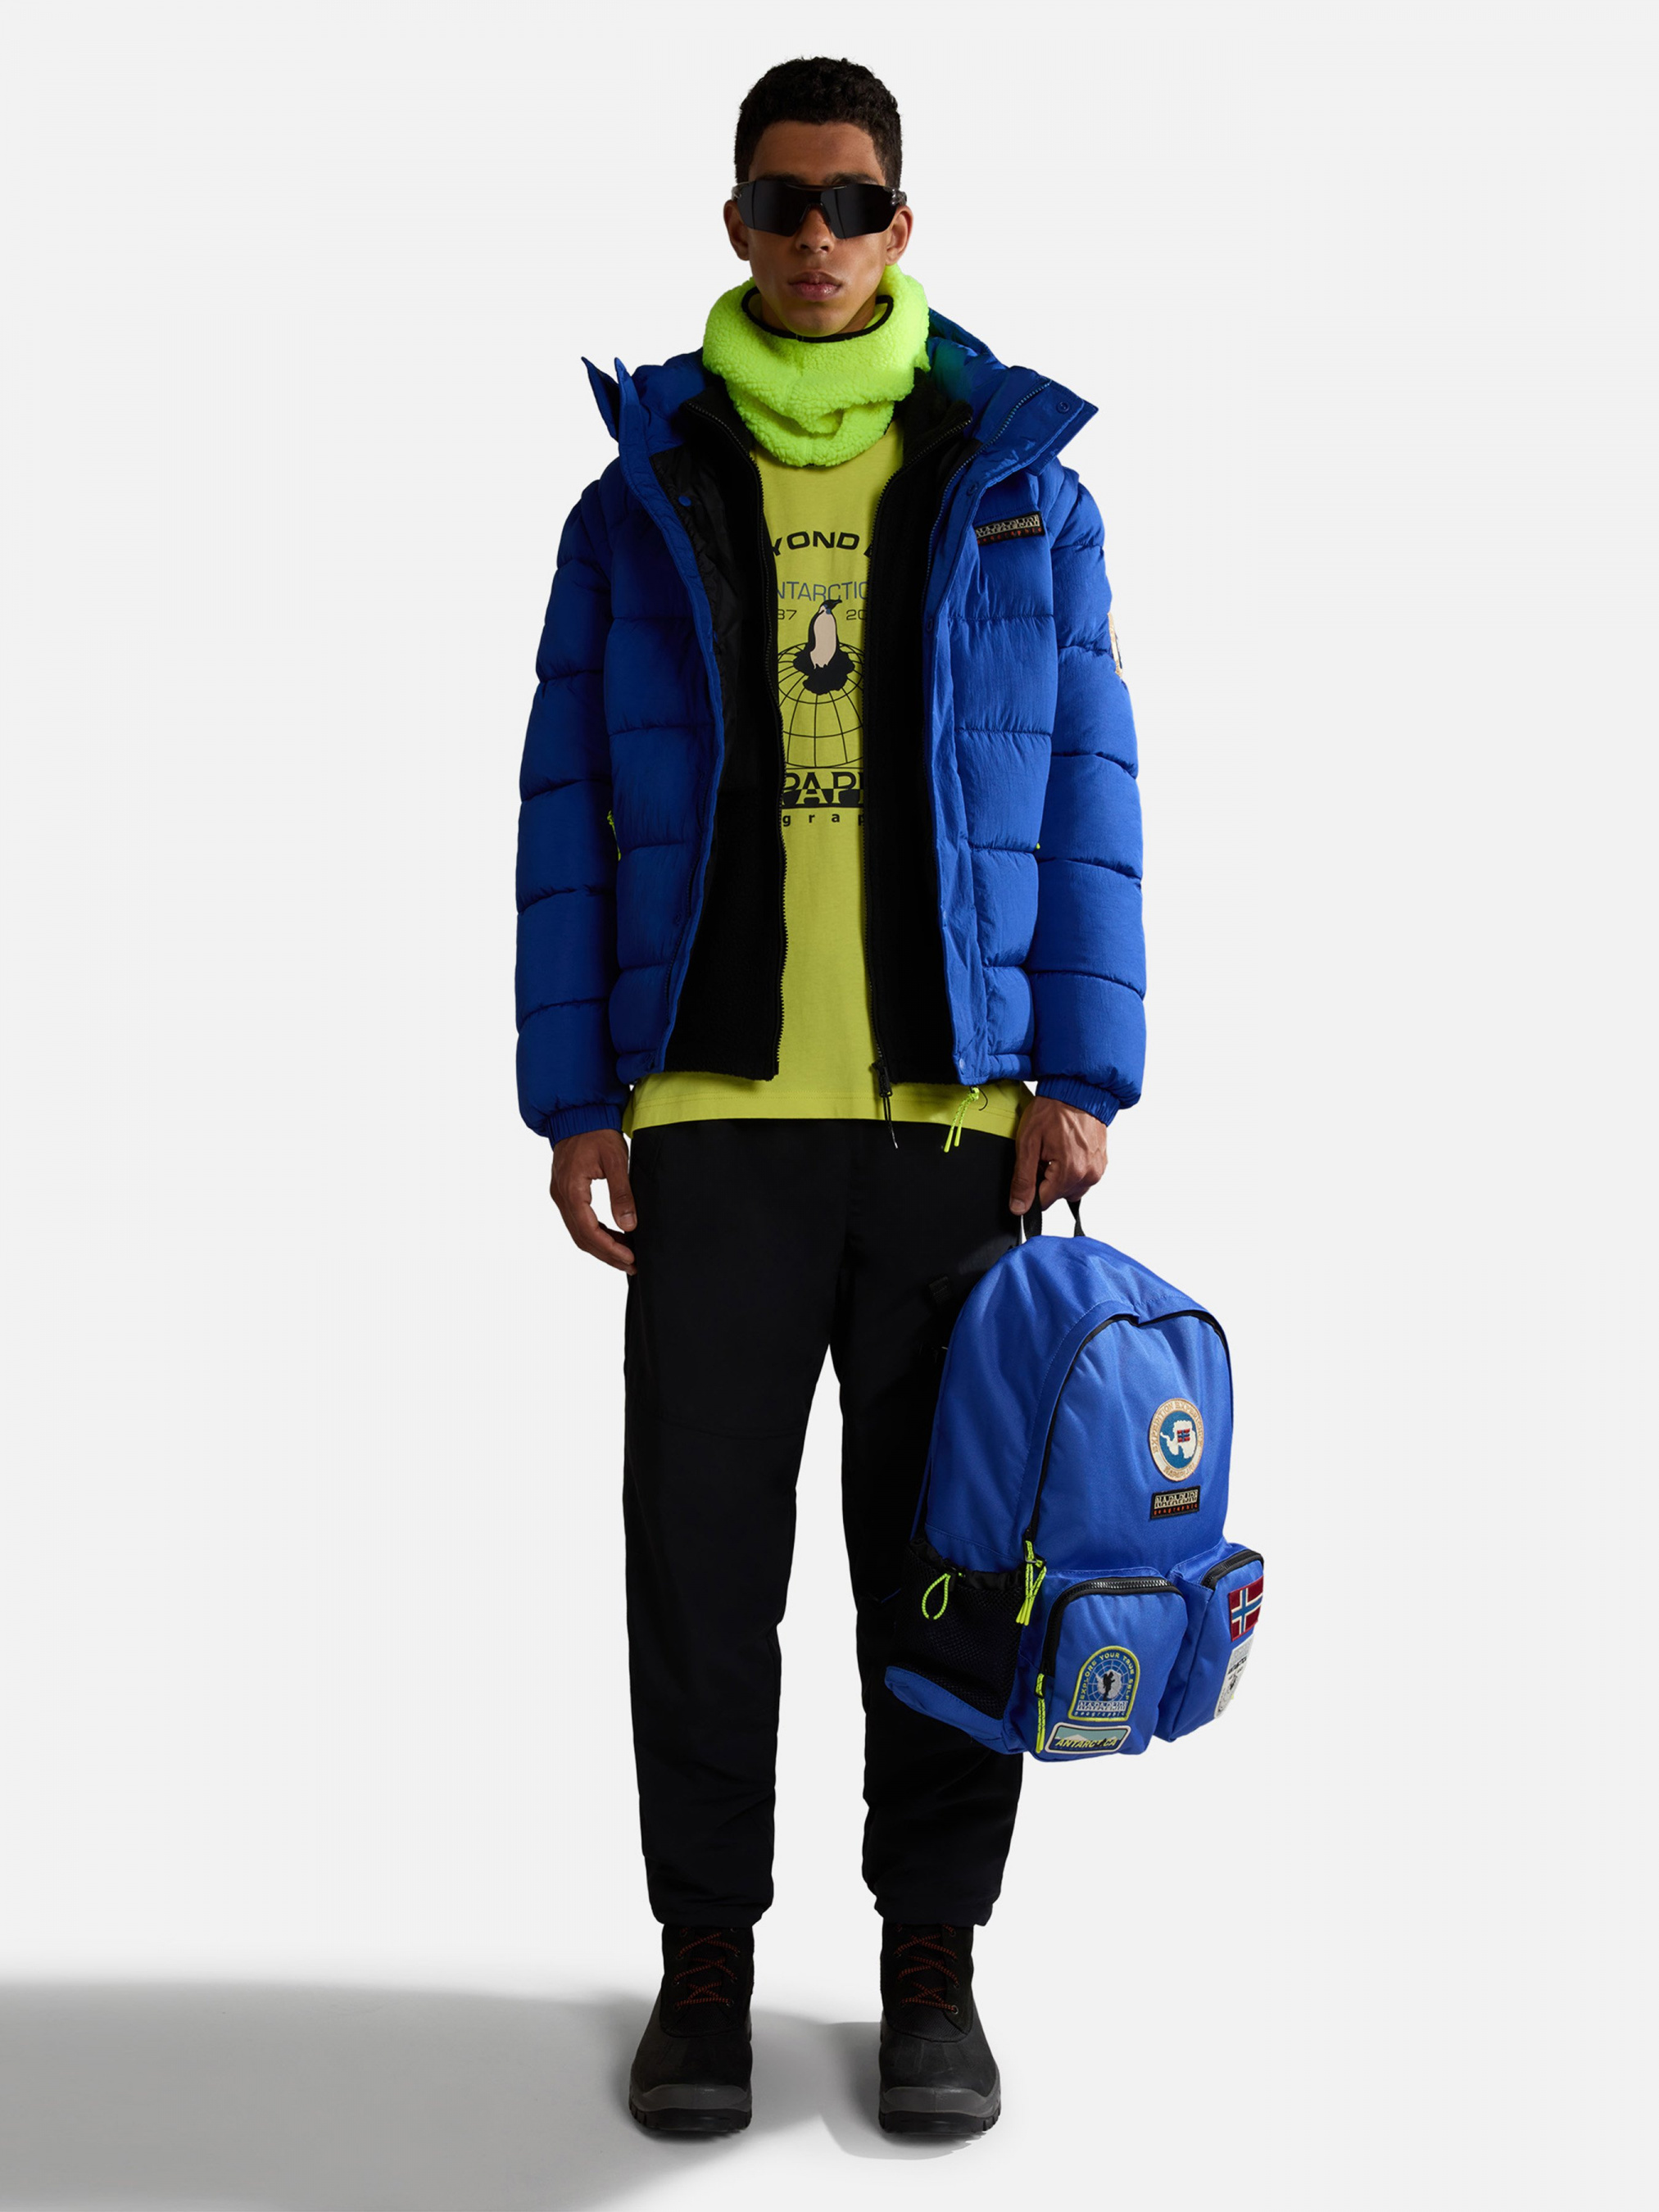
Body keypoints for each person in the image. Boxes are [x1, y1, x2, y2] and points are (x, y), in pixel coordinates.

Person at [514, 54, 1146, 2138]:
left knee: (945, 1568)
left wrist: (1080, 1069)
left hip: (951, 1131)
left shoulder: (1014, 488)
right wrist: (574, 1100)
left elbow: (1087, 797)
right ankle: (703, 1960)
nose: (814, 236)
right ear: (734, 222)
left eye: (849, 202)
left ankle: (928, 1965)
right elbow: (563, 813)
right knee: (700, 1572)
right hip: (708, 1126)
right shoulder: (639, 492)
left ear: (900, 223)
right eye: (780, 202)